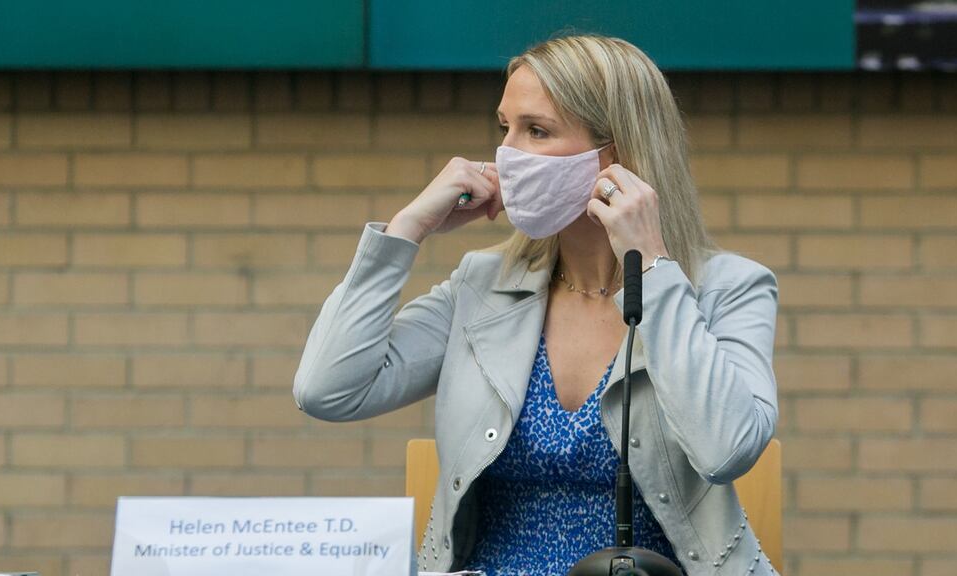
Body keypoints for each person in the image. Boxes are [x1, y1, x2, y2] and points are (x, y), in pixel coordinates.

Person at [293, 34, 779, 576]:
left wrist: (654, 267)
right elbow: (327, 390)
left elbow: (727, 450)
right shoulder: (484, 284)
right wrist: (407, 230)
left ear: (615, 156)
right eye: (505, 128)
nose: (508, 153)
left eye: (537, 131)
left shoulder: (729, 287)